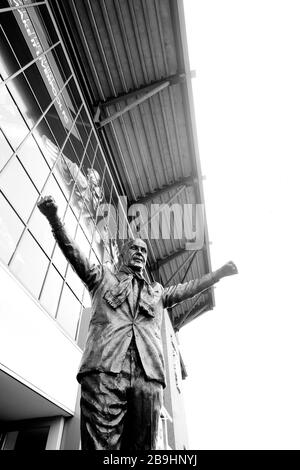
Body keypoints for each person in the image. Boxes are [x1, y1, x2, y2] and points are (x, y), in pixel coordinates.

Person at [37, 195, 238, 450]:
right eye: (135, 248)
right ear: (123, 253)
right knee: (101, 447)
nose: (141, 253)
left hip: (148, 377)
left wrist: (216, 275)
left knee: (144, 450)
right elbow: (75, 254)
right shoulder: (102, 277)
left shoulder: (157, 292)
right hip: (104, 370)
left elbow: (187, 289)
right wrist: (55, 220)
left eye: (144, 250)